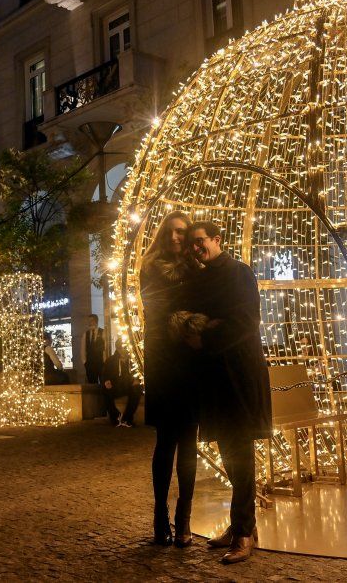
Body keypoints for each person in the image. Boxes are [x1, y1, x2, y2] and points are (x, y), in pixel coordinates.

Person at [180, 221, 271, 564]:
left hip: (240, 376)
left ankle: (245, 534)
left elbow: (245, 321)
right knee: (230, 453)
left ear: (218, 239)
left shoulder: (239, 273)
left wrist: (205, 337)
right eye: (191, 243)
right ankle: (241, 526)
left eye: (200, 241)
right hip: (217, 378)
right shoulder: (202, 278)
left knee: (240, 454)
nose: (195, 248)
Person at [139, 210, 198, 547]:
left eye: (182, 233)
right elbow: (156, 313)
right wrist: (190, 323)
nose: (176, 237)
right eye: (172, 232)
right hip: (163, 361)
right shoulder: (151, 269)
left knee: (189, 443)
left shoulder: (196, 269)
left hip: (191, 364)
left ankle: (184, 519)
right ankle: (160, 517)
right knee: (166, 443)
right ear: (163, 234)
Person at [101, 343, 142, 427]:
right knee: (106, 391)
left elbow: (137, 373)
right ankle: (116, 416)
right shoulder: (111, 360)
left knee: (137, 389)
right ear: (118, 349)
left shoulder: (132, 360)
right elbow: (105, 374)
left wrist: (136, 380)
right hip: (116, 386)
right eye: (124, 349)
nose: (126, 351)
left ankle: (127, 418)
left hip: (129, 386)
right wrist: (106, 381)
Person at [79, 314, 106, 384]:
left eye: (91, 321)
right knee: (92, 384)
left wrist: (105, 361)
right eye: (89, 321)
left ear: (96, 321)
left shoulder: (103, 332)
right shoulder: (86, 334)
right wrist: (85, 362)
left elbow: (105, 348)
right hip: (89, 363)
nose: (89, 323)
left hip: (101, 362)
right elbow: (82, 349)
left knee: (103, 382)